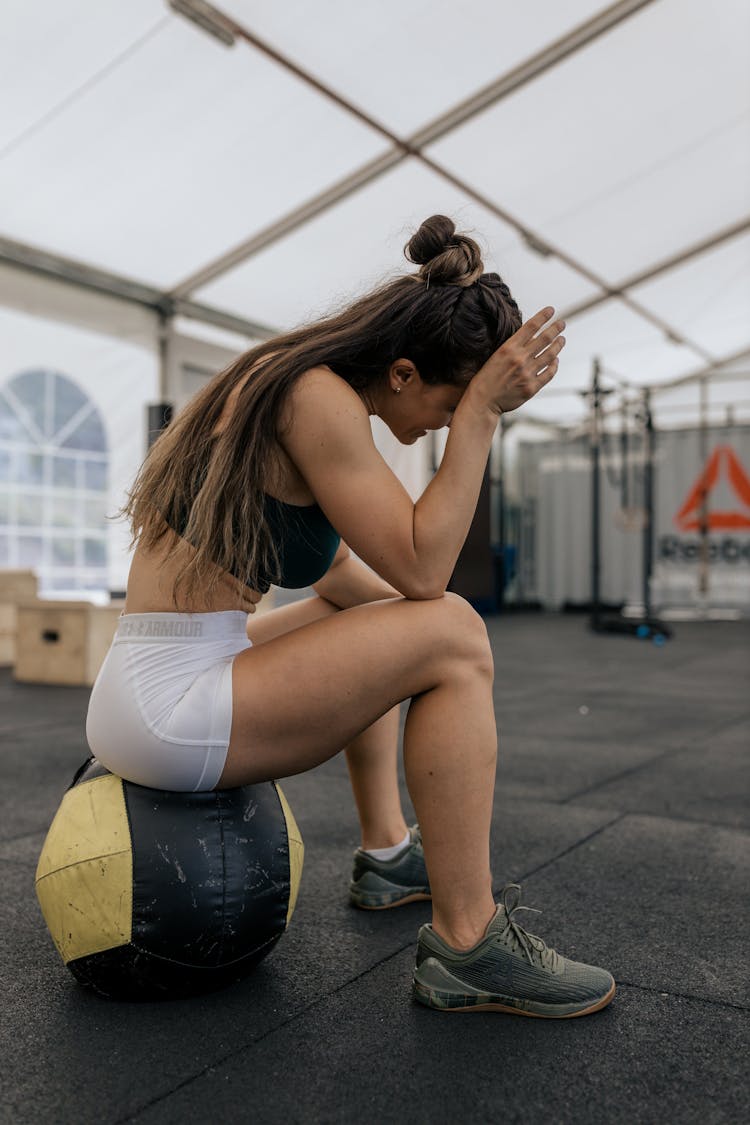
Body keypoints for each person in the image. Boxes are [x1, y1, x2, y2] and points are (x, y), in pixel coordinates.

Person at [86, 215, 615, 1017]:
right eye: (447, 403)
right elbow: (426, 565)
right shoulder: (317, 399)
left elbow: (341, 572)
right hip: (170, 706)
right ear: (402, 372)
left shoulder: (297, 379)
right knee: (457, 636)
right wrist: (482, 421)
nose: (442, 423)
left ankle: (387, 852)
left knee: (397, 619)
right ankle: (468, 940)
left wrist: (409, 624)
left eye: (457, 415)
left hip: (162, 673)